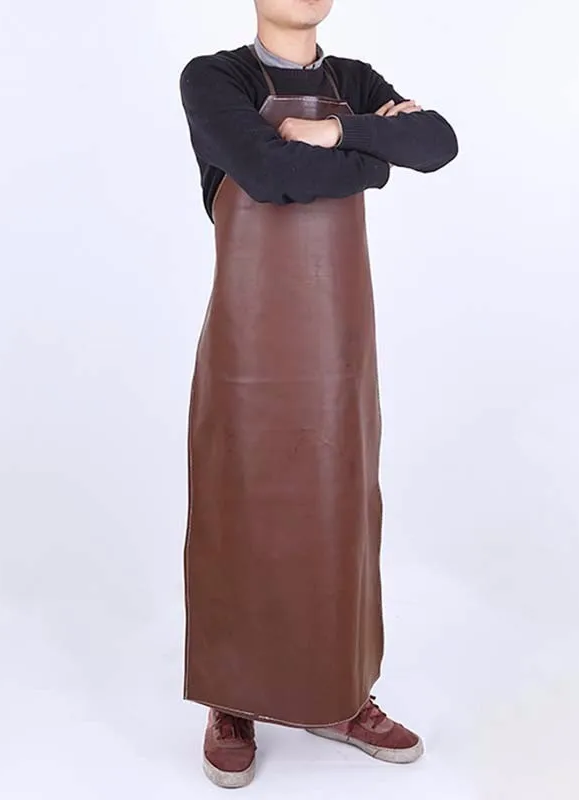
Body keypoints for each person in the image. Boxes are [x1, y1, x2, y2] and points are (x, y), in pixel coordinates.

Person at [179, 0, 457, 788]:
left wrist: (336, 133)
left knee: (338, 517)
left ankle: (338, 695)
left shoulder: (353, 80)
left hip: (337, 344)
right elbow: (270, 175)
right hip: (247, 343)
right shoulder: (215, 79)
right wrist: (372, 155)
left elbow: (437, 143)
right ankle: (232, 700)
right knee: (236, 511)